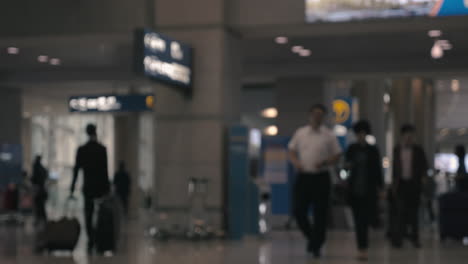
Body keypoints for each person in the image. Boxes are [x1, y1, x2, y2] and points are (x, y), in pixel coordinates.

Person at [288, 104, 342, 258]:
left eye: (320, 114)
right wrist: (296, 162)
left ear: (323, 117)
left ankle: (316, 244)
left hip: (321, 177)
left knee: (321, 214)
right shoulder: (301, 133)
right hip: (304, 176)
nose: (317, 117)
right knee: (299, 211)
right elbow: (291, 150)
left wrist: (325, 162)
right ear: (310, 115)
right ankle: (313, 238)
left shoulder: (329, 135)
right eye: (315, 114)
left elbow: (337, 155)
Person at [345, 120, 383, 261]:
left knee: (364, 220)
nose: (361, 135)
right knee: (357, 220)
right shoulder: (351, 149)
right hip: (354, 190)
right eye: (358, 133)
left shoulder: (373, 150)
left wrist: (381, 187)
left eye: (363, 133)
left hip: (369, 190)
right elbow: (345, 169)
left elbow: (378, 170)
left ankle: (363, 247)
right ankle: (361, 247)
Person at [70, 124, 110, 254]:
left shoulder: (82, 149)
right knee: (99, 214)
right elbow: (105, 171)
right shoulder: (102, 149)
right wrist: (107, 188)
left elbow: (76, 170)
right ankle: (98, 237)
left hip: (88, 187)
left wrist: (72, 186)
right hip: (100, 187)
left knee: (88, 213)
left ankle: (90, 238)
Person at [391, 124, 428, 249]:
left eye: (411, 134)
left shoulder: (418, 150)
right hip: (401, 184)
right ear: (402, 136)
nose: (409, 137)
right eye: (406, 134)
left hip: (414, 185)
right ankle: (399, 238)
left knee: (414, 213)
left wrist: (423, 181)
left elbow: (424, 167)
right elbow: (394, 169)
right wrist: (394, 184)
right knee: (400, 212)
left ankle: (415, 238)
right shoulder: (397, 149)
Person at [31, 156, 48, 225]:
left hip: (38, 190)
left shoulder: (36, 167)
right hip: (42, 190)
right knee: (41, 206)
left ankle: (39, 220)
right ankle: (43, 220)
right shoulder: (42, 168)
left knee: (38, 206)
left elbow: (33, 179)